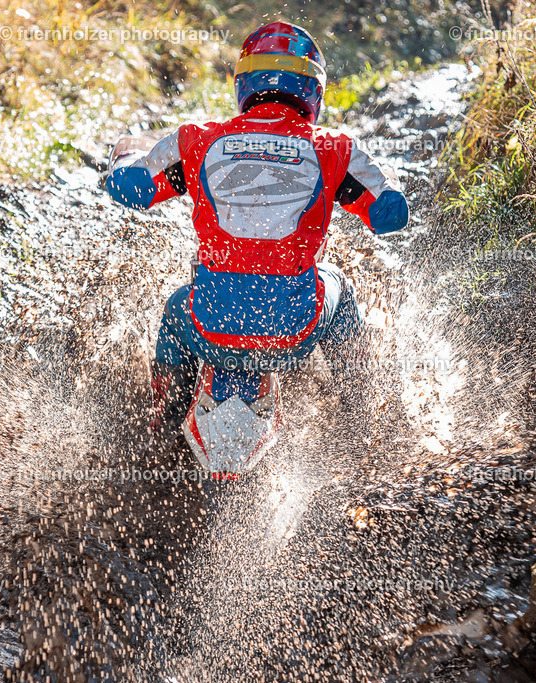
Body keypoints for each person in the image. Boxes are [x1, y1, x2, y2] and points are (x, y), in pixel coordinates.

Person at [106, 21, 409, 457]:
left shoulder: (197, 140)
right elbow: (391, 216)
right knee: (341, 289)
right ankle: (364, 417)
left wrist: (127, 155)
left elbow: (129, 190)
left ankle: (162, 421)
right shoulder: (334, 149)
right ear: (314, 92)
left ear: (243, 84)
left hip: (211, 328)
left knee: (176, 310)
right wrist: (387, 182)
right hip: (293, 333)